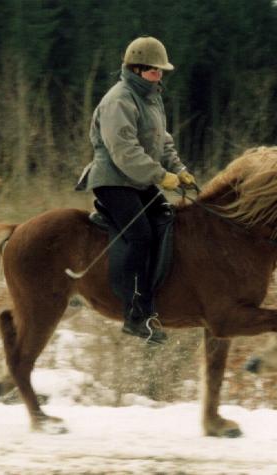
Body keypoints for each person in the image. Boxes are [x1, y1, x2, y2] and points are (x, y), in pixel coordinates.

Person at [76, 36, 195, 343]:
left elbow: (162, 142)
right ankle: (135, 313)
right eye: (155, 71)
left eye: (161, 71)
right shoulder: (120, 99)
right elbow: (124, 151)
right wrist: (160, 175)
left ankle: (160, 297)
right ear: (137, 69)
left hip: (138, 181)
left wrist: (179, 171)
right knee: (140, 234)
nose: (160, 76)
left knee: (168, 222)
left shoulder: (151, 98)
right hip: (113, 181)